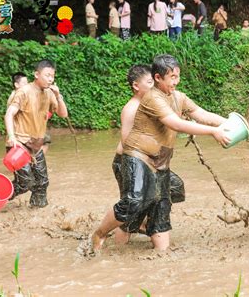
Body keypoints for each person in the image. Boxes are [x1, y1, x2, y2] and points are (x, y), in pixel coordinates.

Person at [92, 54, 230, 251]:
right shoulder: (152, 98)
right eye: (172, 77)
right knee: (134, 201)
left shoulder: (178, 97)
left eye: (178, 76)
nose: (176, 81)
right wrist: (212, 132)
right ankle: (99, 234)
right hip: (138, 157)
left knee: (161, 208)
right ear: (158, 78)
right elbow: (176, 124)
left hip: (161, 162)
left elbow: (201, 114)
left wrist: (229, 124)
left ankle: (161, 258)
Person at [112, 64, 186, 244]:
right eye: (149, 82)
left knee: (176, 189)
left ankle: (148, 222)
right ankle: (116, 247)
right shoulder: (132, 108)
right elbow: (128, 143)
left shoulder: (155, 102)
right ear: (136, 86)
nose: (154, 86)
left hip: (152, 162)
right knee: (134, 207)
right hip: (127, 162)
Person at [5, 60, 68, 208]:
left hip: (36, 146)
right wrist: (12, 137)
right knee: (25, 182)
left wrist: (58, 96)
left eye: (52, 76)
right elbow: (9, 114)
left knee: (42, 182)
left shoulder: (50, 93)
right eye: (47, 75)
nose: (50, 79)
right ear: (36, 74)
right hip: (20, 144)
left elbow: (63, 114)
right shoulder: (24, 91)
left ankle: (36, 212)